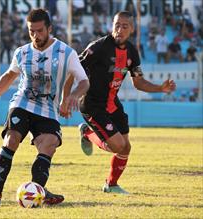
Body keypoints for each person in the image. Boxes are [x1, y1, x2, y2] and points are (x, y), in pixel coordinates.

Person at [0, 9, 89, 208]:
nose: (35, 36)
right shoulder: (22, 52)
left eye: (39, 31)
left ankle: (37, 192)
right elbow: (8, 77)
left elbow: (84, 81)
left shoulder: (66, 53)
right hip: (22, 103)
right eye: (31, 31)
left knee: (49, 144)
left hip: (48, 108)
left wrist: (73, 96)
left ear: (49, 28)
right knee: (11, 139)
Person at [73, 11, 176, 194]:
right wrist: (69, 96)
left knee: (125, 148)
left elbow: (138, 82)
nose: (119, 29)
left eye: (124, 26)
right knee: (117, 145)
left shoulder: (131, 52)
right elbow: (75, 68)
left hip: (112, 104)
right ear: (112, 25)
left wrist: (160, 88)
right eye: (116, 25)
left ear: (132, 29)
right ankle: (87, 132)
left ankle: (111, 185)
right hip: (92, 104)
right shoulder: (98, 47)